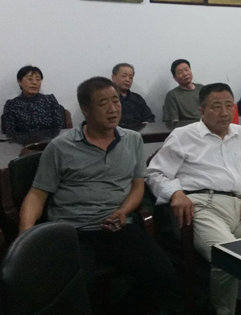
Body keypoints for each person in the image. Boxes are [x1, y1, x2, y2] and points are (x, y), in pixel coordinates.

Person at [19, 77, 175, 314]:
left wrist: (123, 211)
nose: (113, 109)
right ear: (85, 109)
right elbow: (37, 195)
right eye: (103, 103)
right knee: (78, 293)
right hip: (72, 230)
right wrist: (26, 237)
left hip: (117, 226)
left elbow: (137, 186)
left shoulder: (132, 139)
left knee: (163, 275)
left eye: (116, 101)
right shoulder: (60, 146)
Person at [147, 83, 241, 315]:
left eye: (228, 106)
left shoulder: (240, 133)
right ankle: (225, 310)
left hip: (240, 205)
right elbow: (155, 173)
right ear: (202, 111)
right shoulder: (184, 135)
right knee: (227, 256)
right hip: (200, 206)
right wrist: (175, 193)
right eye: (216, 106)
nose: (224, 113)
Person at [1, 65, 67, 134]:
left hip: (51, 140)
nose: (34, 82)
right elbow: (10, 133)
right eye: (30, 79)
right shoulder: (11, 105)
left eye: (38, 79)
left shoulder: (50, 100)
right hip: (22, 141)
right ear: (20, 82)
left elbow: (59, 128)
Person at [162, 59, 203, 123]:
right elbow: (173, 123)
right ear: (175, 77)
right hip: (189, 127)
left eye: (187, 70)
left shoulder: (202, 88)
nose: (185, 74)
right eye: (180, 72)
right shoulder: (172, 95)